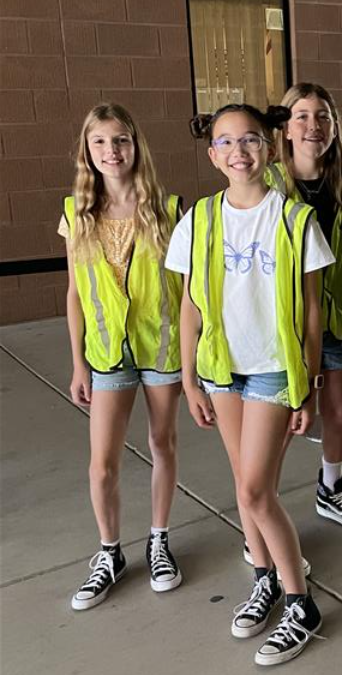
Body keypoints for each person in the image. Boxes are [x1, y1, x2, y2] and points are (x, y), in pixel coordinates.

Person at [167, 103, 332, 666]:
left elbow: (312, 314)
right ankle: (264, 576)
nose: (240, 151)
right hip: (221, 370)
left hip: (270, 370)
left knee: (257, 489)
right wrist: (189, 378)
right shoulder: (199, 220)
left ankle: (300, 602)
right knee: (243, 485)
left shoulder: (295, 220)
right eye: (227, 142)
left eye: (252, 140)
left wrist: (306, 383)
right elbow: (190, 305)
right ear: (213, 155)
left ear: (269, 147)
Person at [63, 103, 184, 611]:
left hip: (161, 348)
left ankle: (159, 540)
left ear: (136, 146)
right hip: (107, 354)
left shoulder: (170, 209)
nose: (111, 151)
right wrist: (78, 364)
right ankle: (110, 552)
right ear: (87, 152)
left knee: (162, 443)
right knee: (101, 465)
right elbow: (74, 293)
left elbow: (191, 290)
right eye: (100, 143)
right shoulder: (76, 213)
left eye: (121, 141)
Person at [265, 83, 342, 536]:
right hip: (283, 326)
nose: (314, 126)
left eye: (323, 116)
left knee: (336, 406)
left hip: (334, 318)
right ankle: (263, 513)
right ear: (286, 128)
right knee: (280, 417)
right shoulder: (268, 183)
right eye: (303, 116)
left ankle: (331, 488)